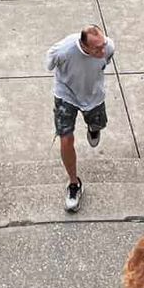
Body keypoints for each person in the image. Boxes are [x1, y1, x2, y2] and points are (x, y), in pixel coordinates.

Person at [46, 24, 115, 212]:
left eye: (103, 44)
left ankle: (93, 128)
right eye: (97, 48)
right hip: (65, 95)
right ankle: (74, 184)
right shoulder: (64, 50)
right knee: (66, 139)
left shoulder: (109, 47)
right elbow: (49, 64)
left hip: (93, 96)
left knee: (97, 124)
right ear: (84, 46)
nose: (103, 50)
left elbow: (104, 61)